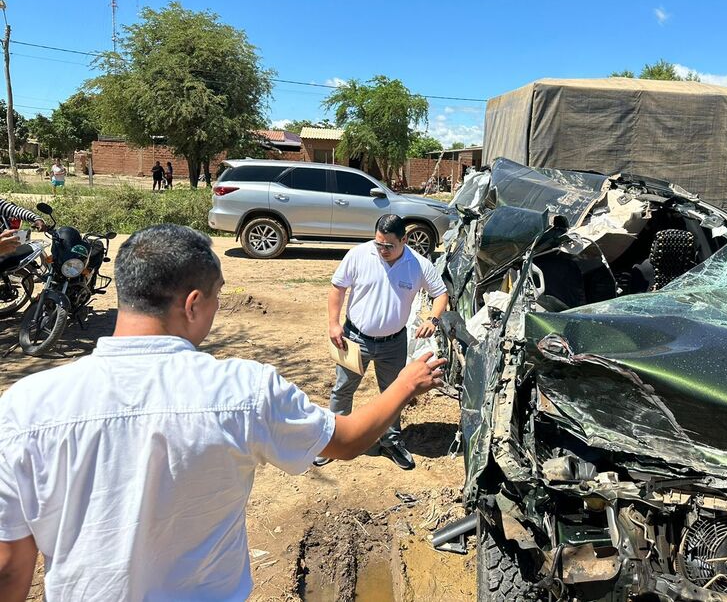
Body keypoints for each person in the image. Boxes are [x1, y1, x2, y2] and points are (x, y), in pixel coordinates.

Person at [0, 224, 445, 601]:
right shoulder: (243, 390)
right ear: (193, 304)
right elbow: (346, 440)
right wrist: (407, 383)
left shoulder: (25, 406)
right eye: (216, 298)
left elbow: (9, 568)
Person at [318, 214, 449, 471]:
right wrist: (334, 324)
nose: (383, 250)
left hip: (393, 343)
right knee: (343, 389)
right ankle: (333, 440)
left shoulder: (418, 264)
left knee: (394, 393)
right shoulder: (359, 255)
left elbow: (440, 294)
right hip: (354, 338)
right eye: (379, 244)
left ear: (405, 240)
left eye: (389, 245)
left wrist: (432, 320)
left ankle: (391, 441)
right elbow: (337, 288)